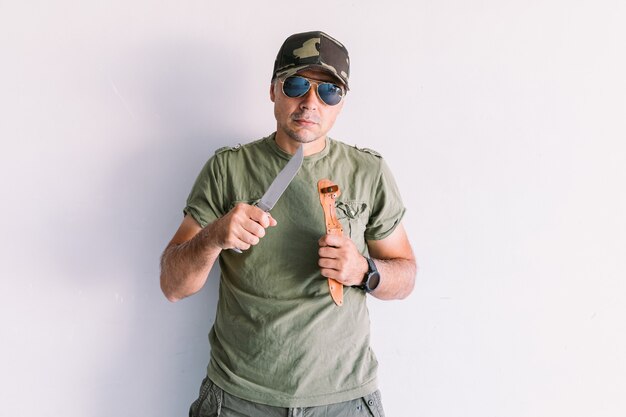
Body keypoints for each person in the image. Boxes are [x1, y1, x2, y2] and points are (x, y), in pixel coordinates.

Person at [160, 31, 417, 417]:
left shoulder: (369, 172)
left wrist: (365, 271)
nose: (310, 102)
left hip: (344, 401)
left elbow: (406, 276)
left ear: (341, 103)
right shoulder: (227, 168)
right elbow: (172, 286)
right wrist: (214, 237)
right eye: (297, 84)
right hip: (238, 400)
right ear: (273, 90)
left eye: (329, 91)